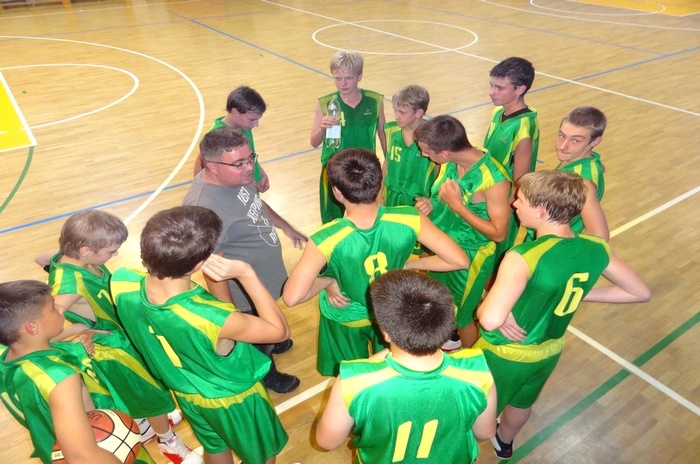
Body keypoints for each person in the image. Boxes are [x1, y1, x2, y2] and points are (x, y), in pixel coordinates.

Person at [474, 170, 651, 459]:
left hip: (505, 353)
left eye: (520, 200)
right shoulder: (597, 247)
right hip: (550, 350)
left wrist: (487, 305)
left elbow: (490, 319)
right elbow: (640, 292)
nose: (514, 204)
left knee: (477, 408)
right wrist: (581, 292)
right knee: (522, 402)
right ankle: (504, 443)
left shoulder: (523, 255)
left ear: (541, 210)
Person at [111, 205, 290, 464]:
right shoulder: (213, 318)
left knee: (214, 446)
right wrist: (246, 274)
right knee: (261, 455)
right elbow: (279, 331)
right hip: (233, 399)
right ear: (198, 264)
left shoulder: (121, 282)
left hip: (187, 394)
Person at [282, 148, 469, 376]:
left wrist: (328, 281)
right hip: (391, 313)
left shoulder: (326, 238)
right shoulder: (409, 217)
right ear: (380, 184)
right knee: (390, 371)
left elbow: (291, 297)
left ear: (337, 192)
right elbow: (460, 260)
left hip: (346, 315)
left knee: (352, 378)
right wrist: (408, 266)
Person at [46, 210, 200, 464]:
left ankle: (150, 423)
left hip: (122, 334)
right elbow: (44, 332)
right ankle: (167, 442)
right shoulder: (69, 286)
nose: (115, 255)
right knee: (150, 392)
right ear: (85, 250)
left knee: (148, 389)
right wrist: (80, 329)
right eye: (111, 251)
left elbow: (44, 259)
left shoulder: (76, 259)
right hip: (113, 348)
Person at [315, 270, 497, 463]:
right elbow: (485, 433)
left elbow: (326, 441)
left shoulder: (354, 381)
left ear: (386, 332)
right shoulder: (477, 372)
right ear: (448, 325)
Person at [183, 126, 306, 394]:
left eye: (251, 158)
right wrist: (230, 316)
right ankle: (266, 372)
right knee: (256, 339)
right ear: (212, 166)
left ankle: (272, 340)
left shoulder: (237, 178)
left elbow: (256, 204)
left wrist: (286, 227)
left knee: (268, 319)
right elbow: (213, 269)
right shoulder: (204, 209)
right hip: (244, 295)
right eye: (239, 163)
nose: (249, 168)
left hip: (264, 277)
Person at [0, 280, 154, 464]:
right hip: (105, 451)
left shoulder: (8, 357)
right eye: (52, 308)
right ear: (32, 327)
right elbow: (83, 457)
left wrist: (81, 332)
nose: (60, 309)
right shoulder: (60, 378)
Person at [414, 115, 511, 348]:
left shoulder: (494, 180)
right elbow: (441, 199)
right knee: (441, 302)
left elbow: (499, 233)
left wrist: (458, 205)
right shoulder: (448, 163)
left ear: (445, 153)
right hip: (443, 246)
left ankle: (471, 362)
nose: (424, 155)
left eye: (427, 151)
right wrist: (429, 204)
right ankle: (448, 338)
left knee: (463, 318)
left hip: (471, 256)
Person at [310, 50, 387, 223]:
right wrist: (322, 128)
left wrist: (389, 162)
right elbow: (314, 142)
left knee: (367, 218)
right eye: (337, 78)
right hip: (334, 170)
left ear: (359, 76)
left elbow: (382, 133)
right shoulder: (326, 103)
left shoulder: (374, 101)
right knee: (332, 221)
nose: (343, 83)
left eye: (348, 78)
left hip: (364, 170)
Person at [484, 56, 540, 258]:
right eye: (491, 85)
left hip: (500, 206)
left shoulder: (524, 127)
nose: (492, 92)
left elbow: (520, 183)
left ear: (520, 89)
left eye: (499, 87)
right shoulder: (497, 113)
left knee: (492, 260)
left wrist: (501, 216)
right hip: (485, 194)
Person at [193, 86, 270, 192]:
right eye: (252, 120)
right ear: (235, 113)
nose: (256, 124)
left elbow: (247, 156)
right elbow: (201, 163)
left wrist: (261, 173)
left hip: (250, 185)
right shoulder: (218, 136)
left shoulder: (243, 126)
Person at [381, 84, 436, 208]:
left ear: (418, 113)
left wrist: (433, 200)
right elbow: (387, 163)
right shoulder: (392, 131)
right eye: (395, 110)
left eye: (402, 112)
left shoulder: (434, 137)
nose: (396, 116)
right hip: (391, 197)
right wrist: (379, 193)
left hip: (419, 202)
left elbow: (441, 174)